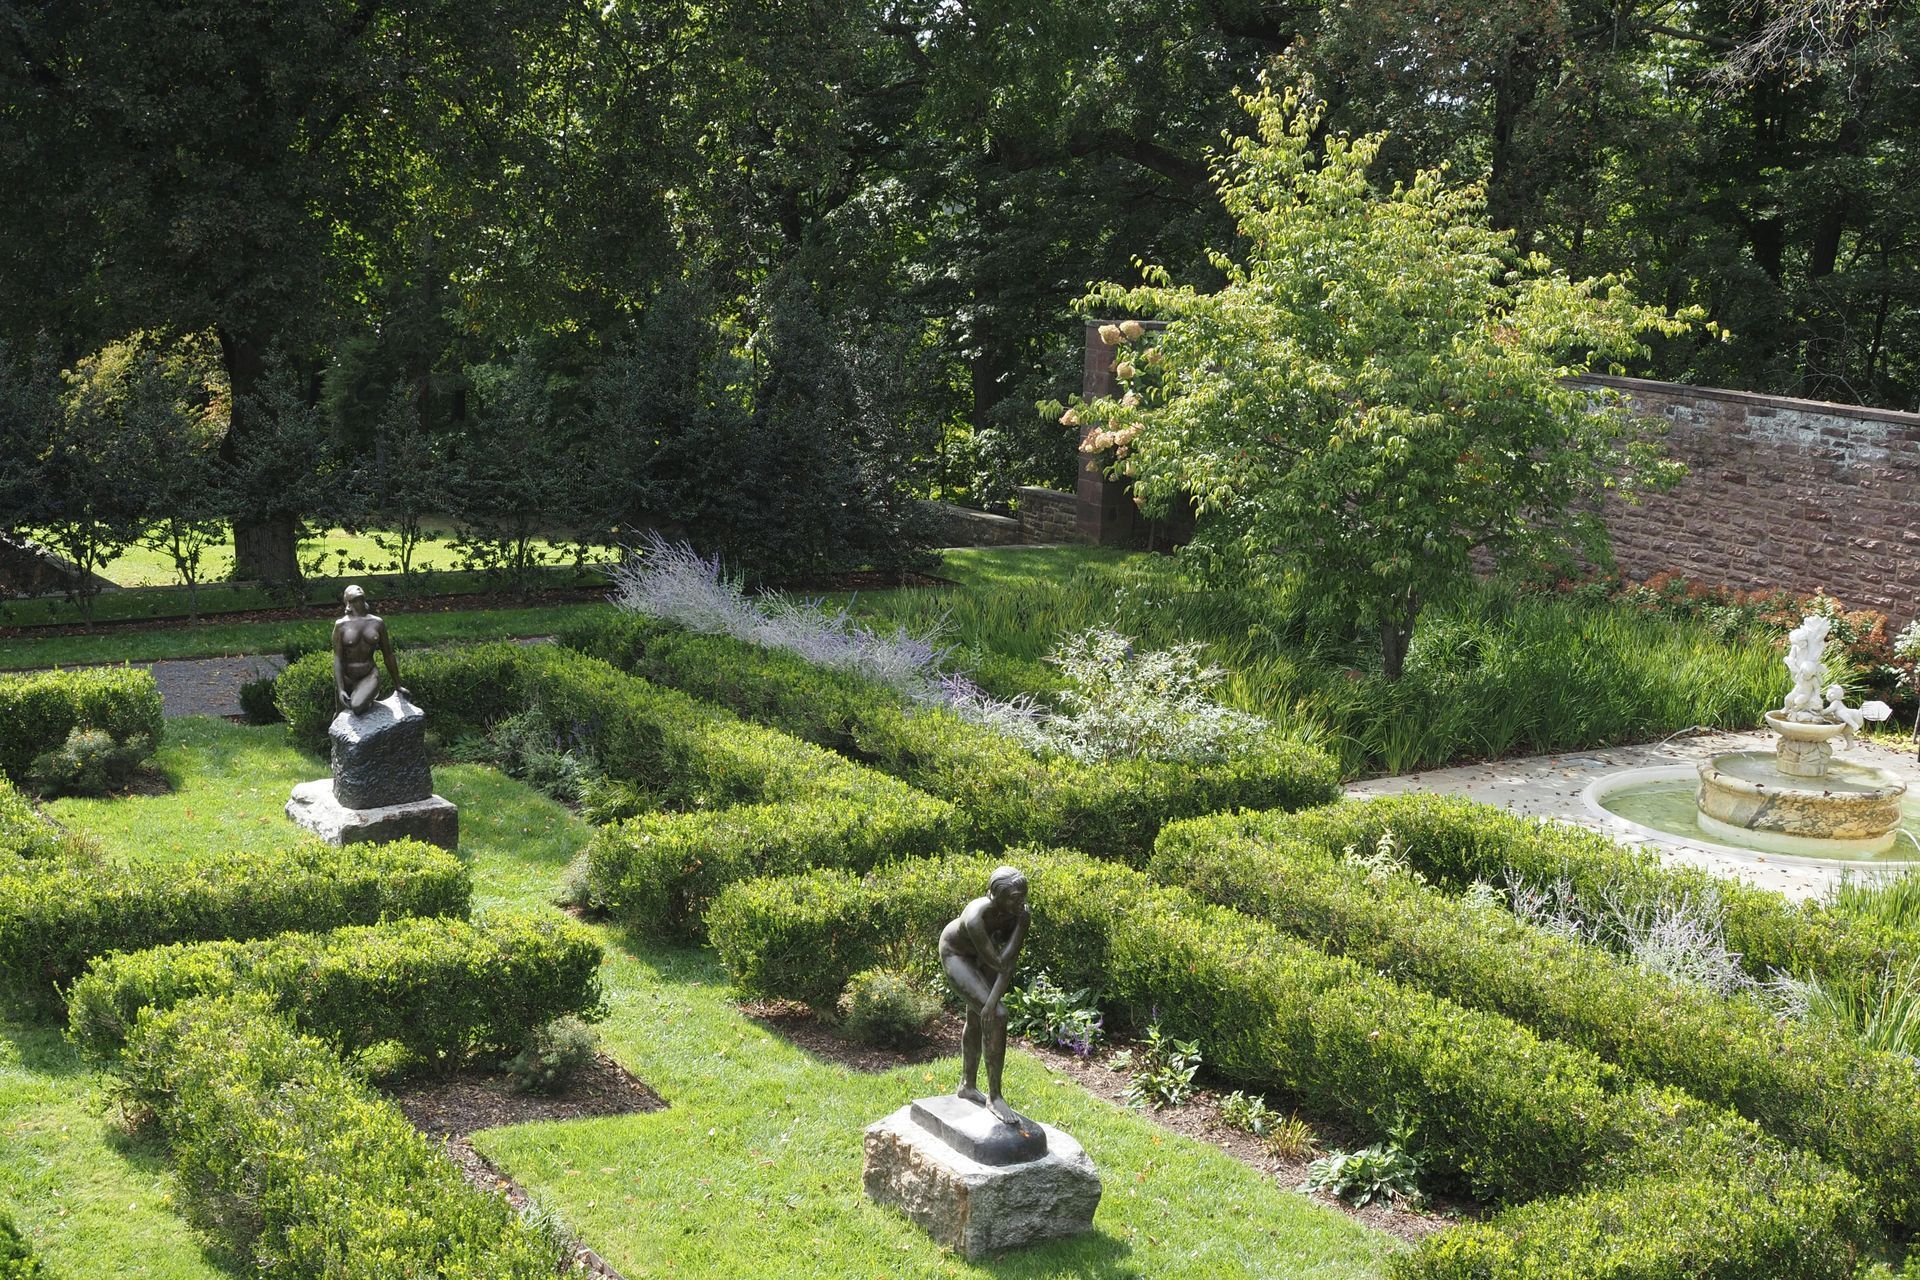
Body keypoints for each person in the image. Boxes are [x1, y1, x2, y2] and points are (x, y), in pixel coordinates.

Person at [939, 865, 1031, 1125]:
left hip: (986, 959)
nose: (1021, 902)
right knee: (998, 1015)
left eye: (1023, 895)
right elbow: (1001, 962)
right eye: (1015, 897)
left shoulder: (1019, 913)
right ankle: (995, 1097)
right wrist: (991, 1006)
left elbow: (1009, 963)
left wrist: (989, 1006)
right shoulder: (975, 917)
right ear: (994, 896)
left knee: (984, 1014)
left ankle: (967, 1086)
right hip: (957, 954)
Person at [331, 585, 407, 715]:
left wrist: (398, 685)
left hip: (369, 674)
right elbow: (338, 659)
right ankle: (366, 698)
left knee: (356, 706)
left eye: (361, 598)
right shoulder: (341, 625)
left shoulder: (377, 622)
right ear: (348, 603)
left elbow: (388, 654)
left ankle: (367, 698)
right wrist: (341, 689)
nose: (359, 602)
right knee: (340, 715)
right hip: (347, 677)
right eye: (355, 599)